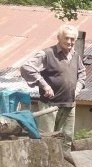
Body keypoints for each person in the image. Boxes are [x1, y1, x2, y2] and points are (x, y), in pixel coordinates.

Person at [20, 24, 86, 152]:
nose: (69, 42)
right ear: (58, 38)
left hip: (69, 104)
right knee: (47, 139)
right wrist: (44, 85)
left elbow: (82, 73)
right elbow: (26, 68)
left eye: (72, 39)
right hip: (50, 105)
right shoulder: (47, 54)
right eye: (66, 38)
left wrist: (77, 90)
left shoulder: (76, 56)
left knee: (67, 139)